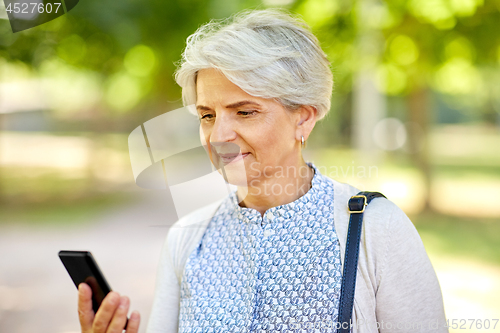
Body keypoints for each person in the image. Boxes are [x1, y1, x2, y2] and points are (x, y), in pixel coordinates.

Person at [77, 8, 448, 333]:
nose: (218, 136)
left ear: (303, 118)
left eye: (244, 112)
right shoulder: (186, 241)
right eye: (207, 115)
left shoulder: (375, 228)